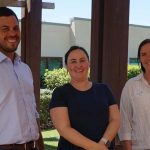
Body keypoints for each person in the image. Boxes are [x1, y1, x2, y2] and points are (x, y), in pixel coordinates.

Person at [49, 46, 120, 150]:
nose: (78, 65)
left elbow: (115, 119)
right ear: (67, 66)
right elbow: (64, 129)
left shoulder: (104, 89)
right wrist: (96, 148)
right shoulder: (60, 93)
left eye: (82, 60)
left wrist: (103, 143)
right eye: (73, 61)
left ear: (89, 63)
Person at [0, 7, 43, 150]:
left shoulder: (25, 69)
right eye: (5, 29)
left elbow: (32, 111)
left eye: (15, 28)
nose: (12, 33)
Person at [118, 39, 150, 150]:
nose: (148, 57)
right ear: (140, 58)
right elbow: (124, 122)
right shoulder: (131, 86)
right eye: (143, 54)